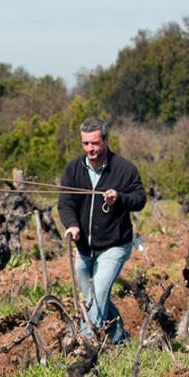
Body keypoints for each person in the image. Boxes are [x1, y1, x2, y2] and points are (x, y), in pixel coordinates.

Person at [57, 117, 145, 343]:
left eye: (95, 143)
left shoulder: (124, 169)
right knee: (93, 297)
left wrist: (120, 198)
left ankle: (86, 341)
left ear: (105, 140)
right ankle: (118, 337)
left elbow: (140, 199)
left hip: (115, 245)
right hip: (84, 248)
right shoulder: (73, 170)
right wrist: (72, 225)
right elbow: (65, 202)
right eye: (85, 144)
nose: (90, 149)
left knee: (98, 293)